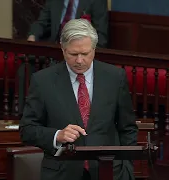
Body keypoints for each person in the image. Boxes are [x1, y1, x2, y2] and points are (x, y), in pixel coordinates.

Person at [20, 19, 138, 180]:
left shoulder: (115, 78)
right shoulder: (43, 81)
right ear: (63, 49)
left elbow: (128, 128)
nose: (80, 60)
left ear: (94, 49)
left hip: (109, 172)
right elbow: (27, 129)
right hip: (62, 173)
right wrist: (57, 135)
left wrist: (127, 168)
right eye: (73, 54)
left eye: (85, 53)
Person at [18, 0, 109, 114]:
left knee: (55, 68)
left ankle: (54, 115)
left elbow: (101, 36)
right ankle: (23, 116)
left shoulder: (96, 2)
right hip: (52, 49)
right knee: (25, 67)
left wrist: (83, 52)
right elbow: (41, 22)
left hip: (75, 50)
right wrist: (32, 36)